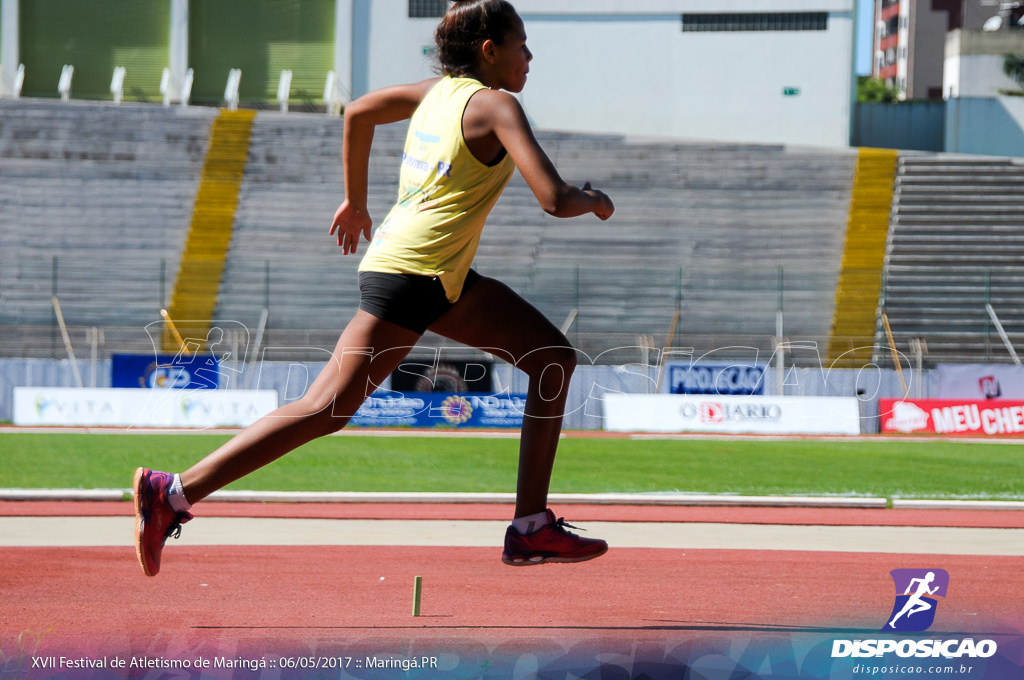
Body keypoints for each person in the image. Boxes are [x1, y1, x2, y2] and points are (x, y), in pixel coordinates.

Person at [133, 0, 614, 577]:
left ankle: (531, 526)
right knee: (324, 408)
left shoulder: (434, 94)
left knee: (551, 357)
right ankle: (172, 493)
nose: (530, 57)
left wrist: (356, 200)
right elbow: (555, 199)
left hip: (437, 275)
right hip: (415, 274)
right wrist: (594, 200)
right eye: (522, 45)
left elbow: (359, 111)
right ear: (490, 52)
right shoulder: (497, 104)